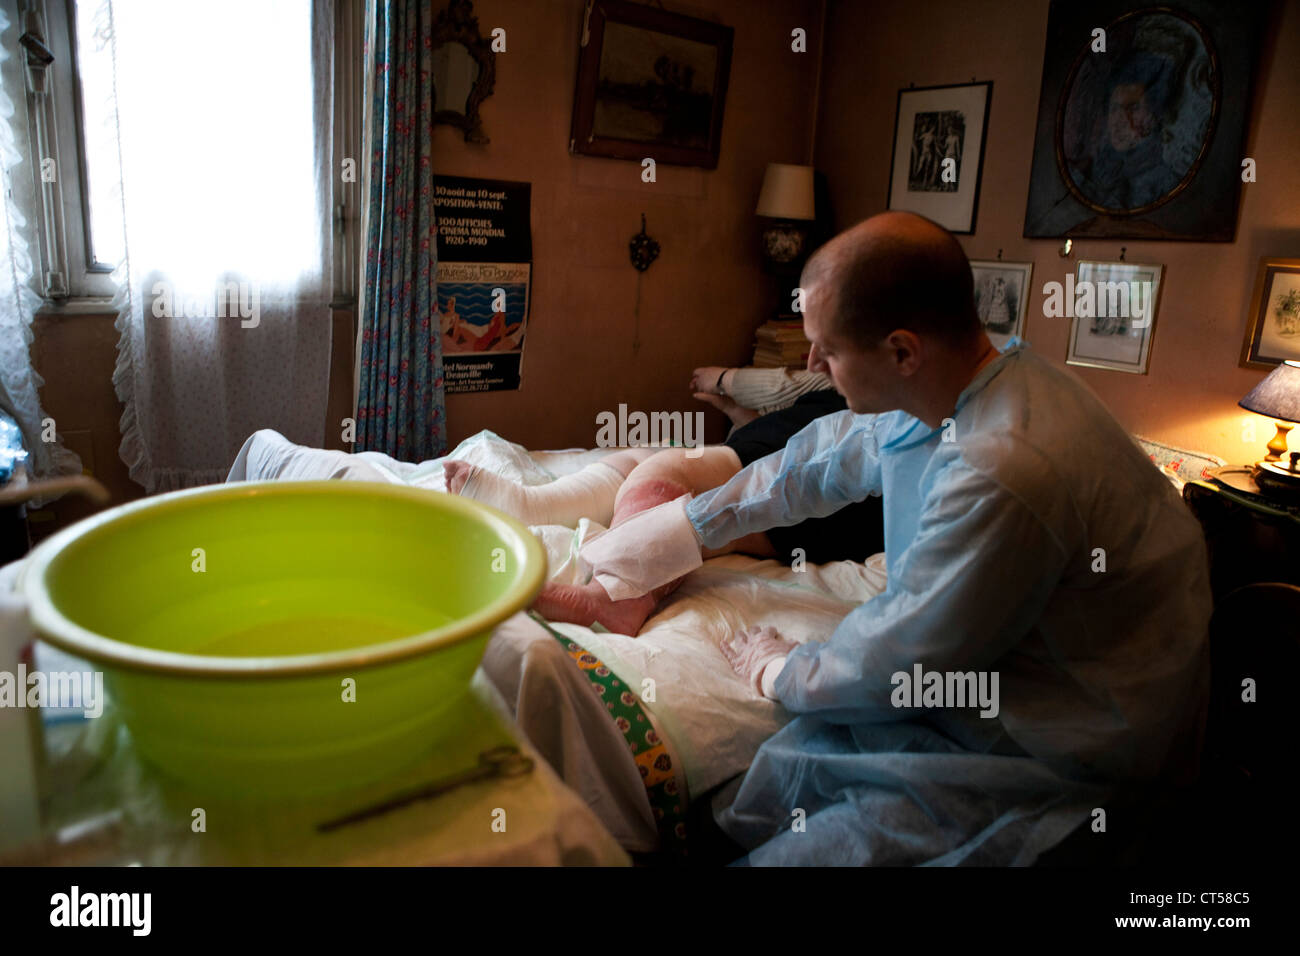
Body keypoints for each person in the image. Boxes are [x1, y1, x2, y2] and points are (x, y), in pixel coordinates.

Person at [576, 210, 1211, 865]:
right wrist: (669, 537)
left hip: (1070, 734)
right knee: (766, 795)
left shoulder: (1004, 467)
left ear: (902, 351)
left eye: (827, 349)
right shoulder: (962, 377)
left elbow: (905, 654)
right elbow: (810, 468)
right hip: (987, 666)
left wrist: (780, 667)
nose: (813, 363)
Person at [444, 364, 884, 635]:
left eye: (830, 349)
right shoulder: (856, 393)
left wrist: (728, 380)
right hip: (764, 454)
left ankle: (614, 596)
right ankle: (533, 507)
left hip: (810, 499)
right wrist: (739, 418)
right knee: (641, 455)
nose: (813, 361)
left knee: (665, 471)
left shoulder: (889, 425)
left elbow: (803, 470)